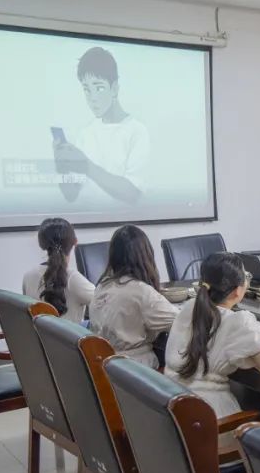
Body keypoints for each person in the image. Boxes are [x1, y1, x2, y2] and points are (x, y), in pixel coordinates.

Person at [164, 253, 260, 417]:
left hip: (174, 409)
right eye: (246, 277)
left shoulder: (189, 307)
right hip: (212, 418)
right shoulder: (237, 321)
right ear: (237, 291)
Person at [53, 47, 150, 205]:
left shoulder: (137, 131)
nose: (93, 98)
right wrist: (61, 166)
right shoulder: (86, 133)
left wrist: (87, 166)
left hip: (125, 220)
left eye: (99, 88)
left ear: (114, 88)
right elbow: (71, 195)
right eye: (87, 89)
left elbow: (133, 193)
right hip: (88, 218)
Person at [89, 224, 178, 368]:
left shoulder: (102, 286)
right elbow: (182, 321)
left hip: (102, 367)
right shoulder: (141, 292)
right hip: (136, 369)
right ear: (145, 255)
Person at [22, 217, 94, 324]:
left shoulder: (28, 276)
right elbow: (105, 303)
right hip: (71, 335)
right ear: (75, 242)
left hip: (41, 334)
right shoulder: (73, 279)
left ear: (42, 244)